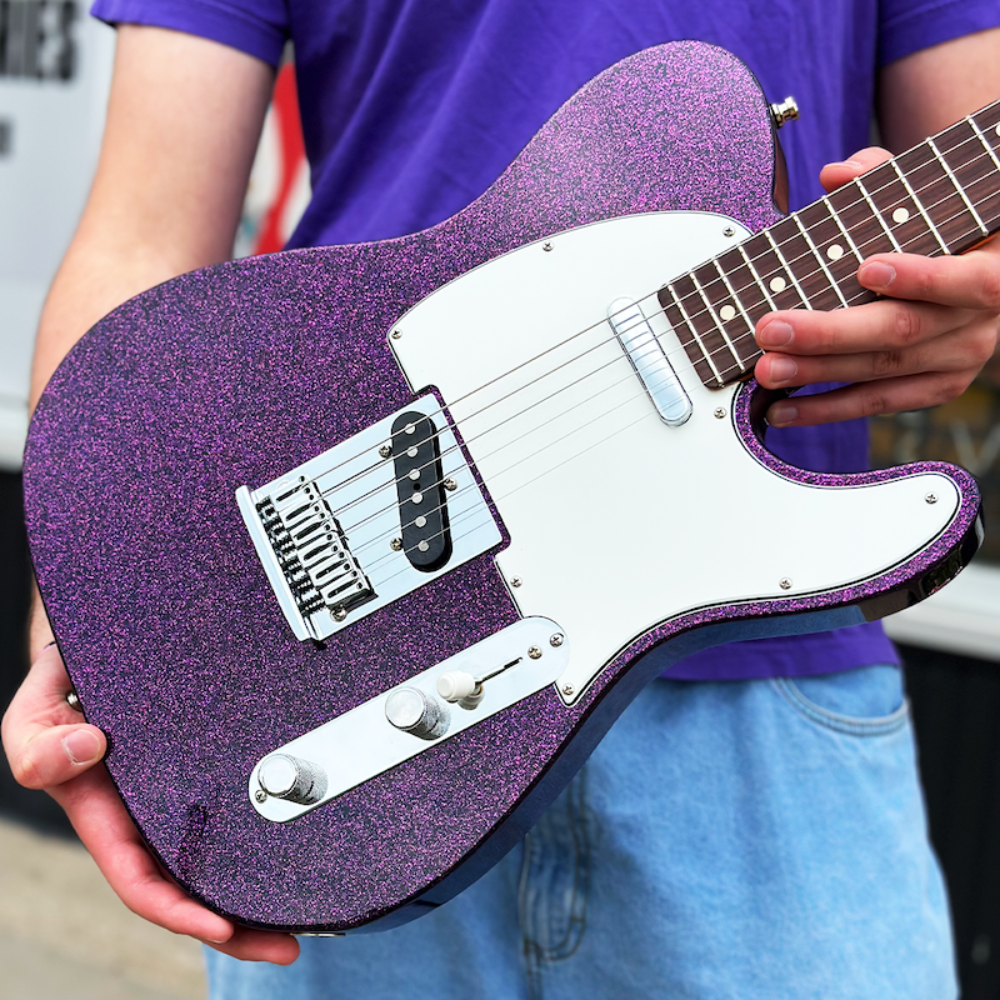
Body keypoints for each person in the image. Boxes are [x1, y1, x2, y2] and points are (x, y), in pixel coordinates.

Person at [4, 2, 1000, 997]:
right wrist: (84, 644)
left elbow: (969, 191)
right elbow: (141, 234)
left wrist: (969, 298)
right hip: (342, 715)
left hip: (769, 701)